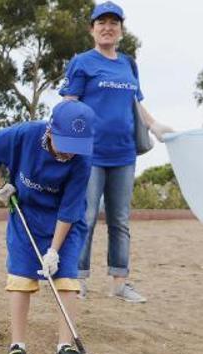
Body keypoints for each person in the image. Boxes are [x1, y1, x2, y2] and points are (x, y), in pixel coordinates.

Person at [59, 1, 173, 303]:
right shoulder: (82, 62)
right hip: (90, 154)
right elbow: (69, 102)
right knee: (85, 216)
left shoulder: (128, 64)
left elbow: (135, 103)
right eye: (101, 22)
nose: (107, 27)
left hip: (124, 155)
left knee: (120, 219)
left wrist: (154, 125)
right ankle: (78, 280)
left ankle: (120, 283)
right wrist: (67, 143)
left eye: (114, 23)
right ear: (92, 29)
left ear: (121, 30)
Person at [0, 100, 95, 354]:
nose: (68, 155)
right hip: (25, 213)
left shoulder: (82, 161)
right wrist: (0, 184)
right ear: (50, 131)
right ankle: (17, 346)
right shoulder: (24, 134)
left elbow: (70, 208)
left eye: (75, 149)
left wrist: (54, 250)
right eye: (65, 146)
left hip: (64, 222)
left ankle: (66, 347)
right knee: (20, 277)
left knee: (66, 279)